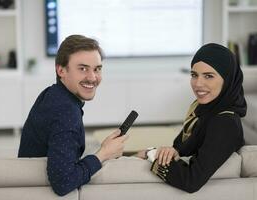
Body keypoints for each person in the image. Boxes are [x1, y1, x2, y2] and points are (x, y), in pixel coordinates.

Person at [18, 35, 128, 196]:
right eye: (83, 68)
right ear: (61, 70)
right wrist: (104, 153)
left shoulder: (52, 93)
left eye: (97, 69)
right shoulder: (66, 111)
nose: (92, 77)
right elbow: (63, 182)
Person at [136, 43, 247, 193]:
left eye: (209, 76)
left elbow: (191, 181)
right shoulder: (205, 109)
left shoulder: (225, 123)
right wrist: (174, 152)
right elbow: (181, 146)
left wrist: (152, 154)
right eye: (194, 75)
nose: (198, 84)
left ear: (227, 79)